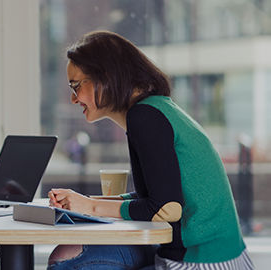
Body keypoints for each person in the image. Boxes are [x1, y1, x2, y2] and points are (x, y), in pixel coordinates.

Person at [47, 31, 254, 270]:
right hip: (213, 255)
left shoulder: (144, 117)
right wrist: (83, 202)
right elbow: (158, 197)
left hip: (200, 262)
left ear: (104, 77)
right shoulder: (156, 109)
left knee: (66, 260)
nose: (73, 99)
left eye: (75, 86)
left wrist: (90, 207)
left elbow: (165, 208)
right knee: (67, 252)